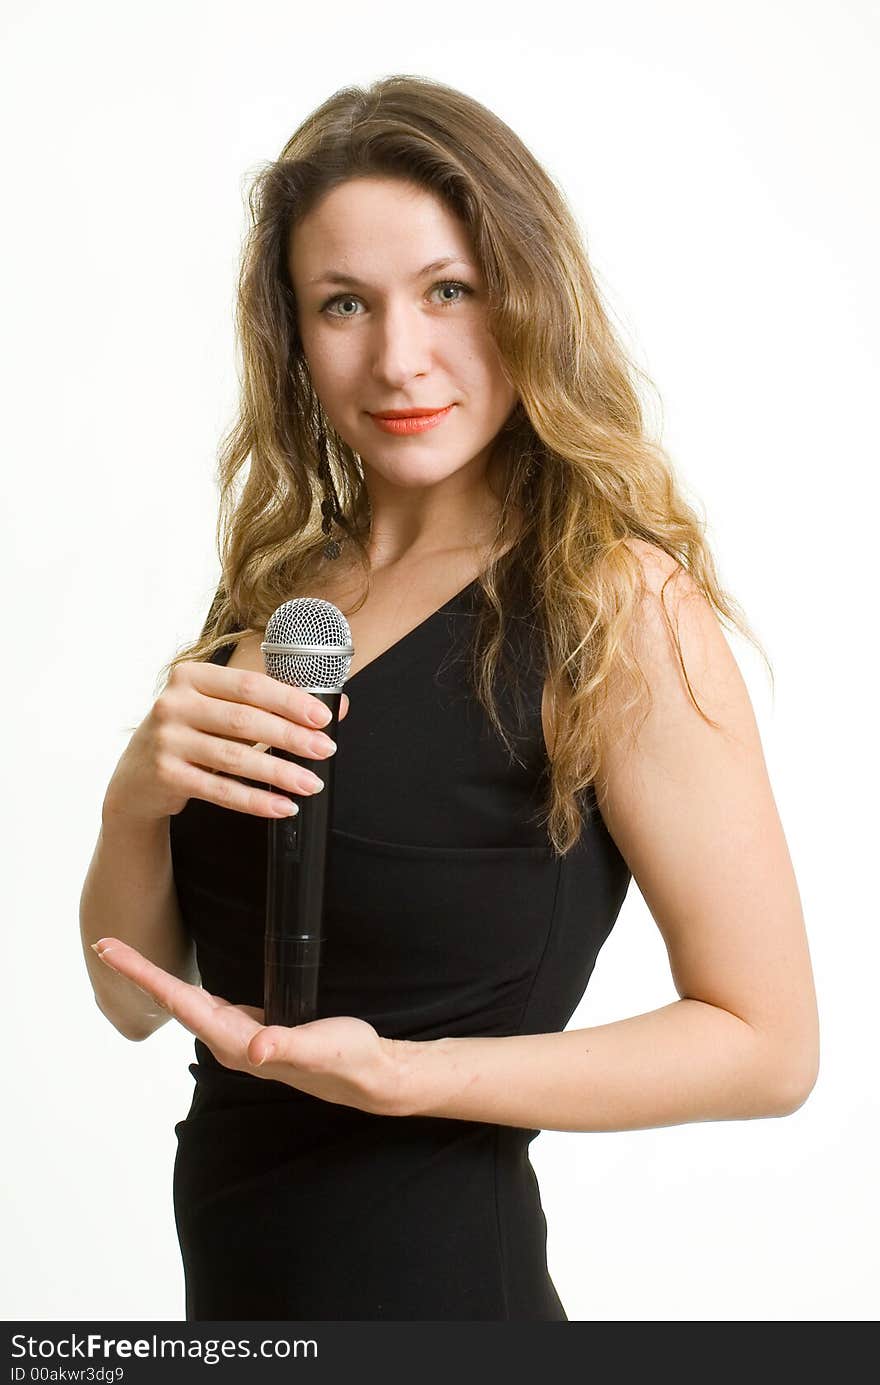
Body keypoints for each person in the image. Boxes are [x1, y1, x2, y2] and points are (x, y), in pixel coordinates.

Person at [78, 75, 819, 1321]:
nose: (397, 357)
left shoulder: (610, 603)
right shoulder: (279, 601)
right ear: (294, 335)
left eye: (447, 291)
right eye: (343, 305)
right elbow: (132, 998)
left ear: (524, 297)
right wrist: (130, 801)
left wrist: (409, 1077)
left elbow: (767, 1044)